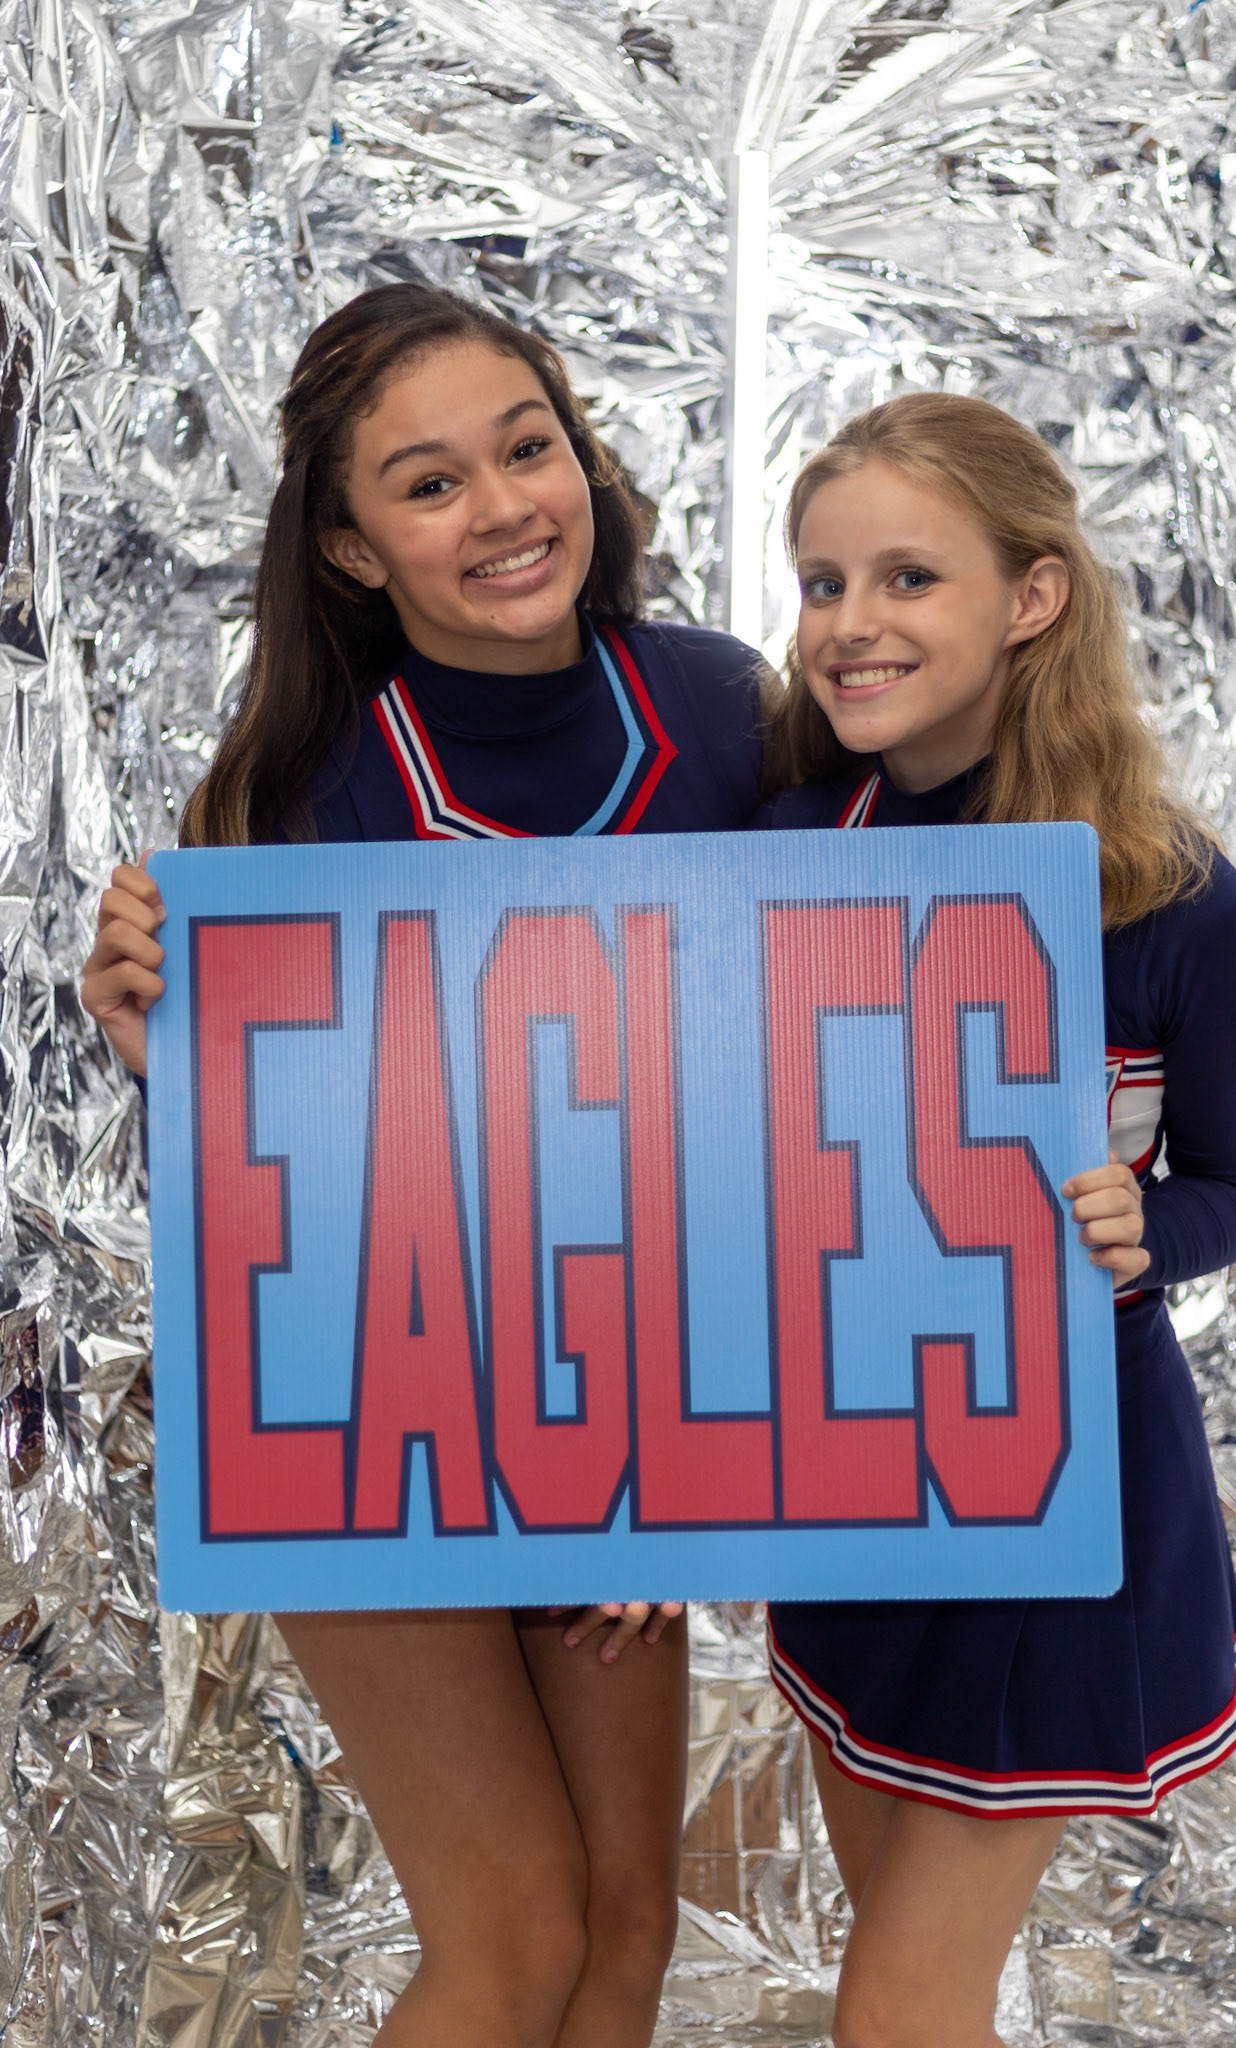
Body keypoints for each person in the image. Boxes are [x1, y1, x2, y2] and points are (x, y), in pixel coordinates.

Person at [79, 282, 765, 2048]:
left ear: (581, 458)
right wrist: (173, 1061)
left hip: (613, 1414)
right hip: (366, 1405)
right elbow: (266, 1205)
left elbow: (806, 1055)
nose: (505, 507)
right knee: (516, 1940)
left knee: (623, 1938)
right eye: (429, 482)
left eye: (525, 447)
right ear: (354, 548)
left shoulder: (722, 712)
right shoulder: (302, 793)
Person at [756, 391, 1236, 2048]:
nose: (852, 626)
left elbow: (1231, 1193)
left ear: (1030, 597)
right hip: (848, 1489)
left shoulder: (1171, 897)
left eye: (908, 578)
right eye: (823, 581)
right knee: (912, 1990)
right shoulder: (780, 848)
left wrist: (1141, 1227)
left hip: (1066, 1497)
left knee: (895, 2007)